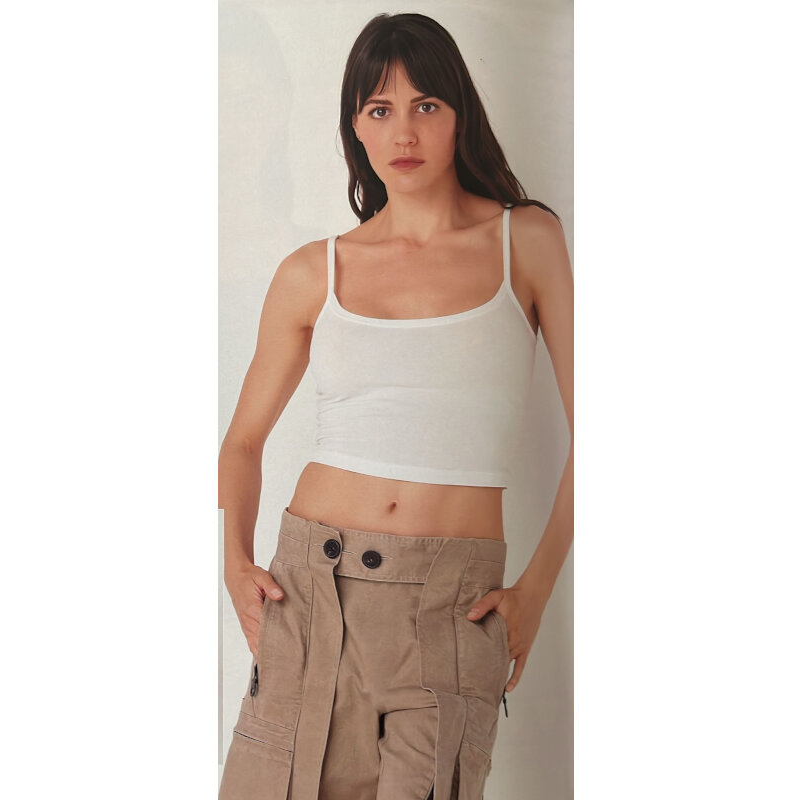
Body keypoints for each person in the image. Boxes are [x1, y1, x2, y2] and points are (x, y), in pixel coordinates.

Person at [218, 11, 573, 800]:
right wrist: (235, 562)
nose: (403, 131)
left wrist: (537, 588)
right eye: (379, 109)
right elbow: (242, 443)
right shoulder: (313, 271)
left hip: (453, 610)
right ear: (356, 126)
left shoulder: (526, 242)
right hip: (311, 592)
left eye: (426, 105)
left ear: (459, 114)